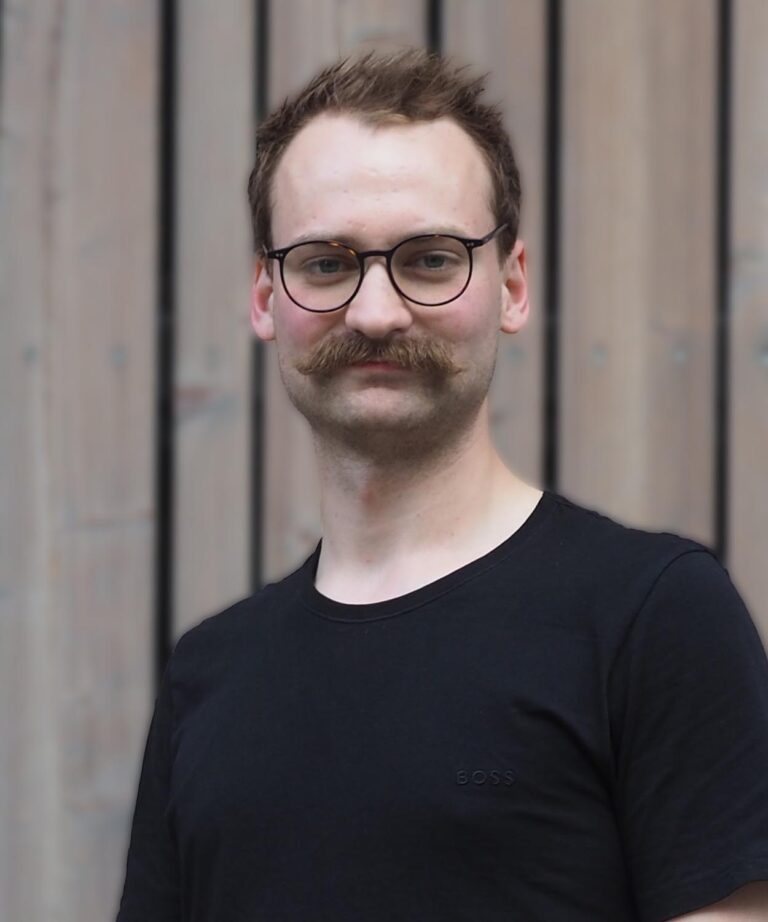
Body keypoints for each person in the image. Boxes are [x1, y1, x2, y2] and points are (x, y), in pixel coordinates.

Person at [116, 49, 768, 921]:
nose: (376, 312)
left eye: (429, 259)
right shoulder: (208, 676)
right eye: (325, 263)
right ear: (266, 298)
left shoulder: (654, 618)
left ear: (512, 285)